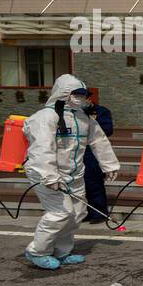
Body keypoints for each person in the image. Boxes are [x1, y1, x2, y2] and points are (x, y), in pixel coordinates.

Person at [22, 74, 120, 270]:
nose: (82, 98)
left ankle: (61, 251)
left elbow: (99, 140)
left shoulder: (82, 118)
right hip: (46, 173)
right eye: (77, 94)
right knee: (60, 212)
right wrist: (49, 176)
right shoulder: (46, 117)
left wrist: (109, 165)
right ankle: (37, 251)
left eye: (84, 94)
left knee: (77, 213)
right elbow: (42, 149)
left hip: (74, 174)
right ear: (64, 94)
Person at [82, 87, 115, 224]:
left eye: (86, 98)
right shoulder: (74, 113)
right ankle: (88, 212)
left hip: (93, 152)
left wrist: (91, 122)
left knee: (94, 183)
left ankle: (100, 213)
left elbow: (108, 130)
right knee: (82, 185)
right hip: (79, 152)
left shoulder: (101, 112)